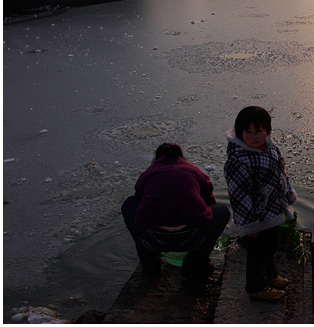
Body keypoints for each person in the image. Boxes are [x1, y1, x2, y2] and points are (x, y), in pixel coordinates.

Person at [122, 143, 230, 278]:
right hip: (191, 237)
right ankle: (196, 261)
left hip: (154, 238)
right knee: (222, 211)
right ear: (181, 157)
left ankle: (149, 263)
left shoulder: (148, 173)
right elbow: (210, 203)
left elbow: (140, 199)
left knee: (129, 204)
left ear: (157, 159)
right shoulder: (195, 171)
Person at [223, 106, 297, 301]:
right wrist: (249, 224)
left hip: (271, 210)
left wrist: (288, 195)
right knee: (256, 251)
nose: (255, 137)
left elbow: (281, 172)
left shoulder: (270, 148)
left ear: (268, 131)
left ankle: (270, 275)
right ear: (240, 133)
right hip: (255, 215)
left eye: (259, 131)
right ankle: (256, 287)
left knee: (271, 245)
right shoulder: (239, 159)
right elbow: (239, 194)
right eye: (249, 132)